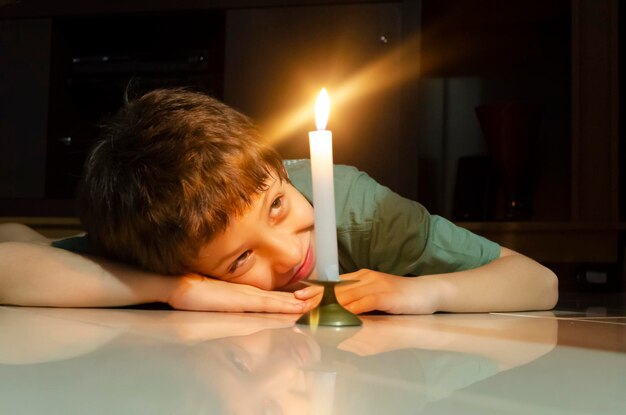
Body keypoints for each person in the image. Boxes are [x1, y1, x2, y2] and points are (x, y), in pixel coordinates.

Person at [0, 88, 558, 314]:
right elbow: (11, 251)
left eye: (277, 206)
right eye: (240, 260)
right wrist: (177, 290)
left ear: (278, 171)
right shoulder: (164, 235)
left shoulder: (351, 205)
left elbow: (539, 282)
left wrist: (425, 290)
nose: (290, 254)